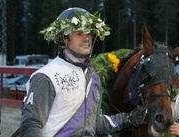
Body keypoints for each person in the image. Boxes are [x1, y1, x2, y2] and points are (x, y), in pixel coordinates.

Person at [19, 7, 147, 136]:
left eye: (89, 33)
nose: (87, 38)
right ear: (64, 38)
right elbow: (31, 125)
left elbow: (94, 123)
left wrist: (129, 118)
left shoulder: (93, 77)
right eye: (79, 33)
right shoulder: (47, 75)